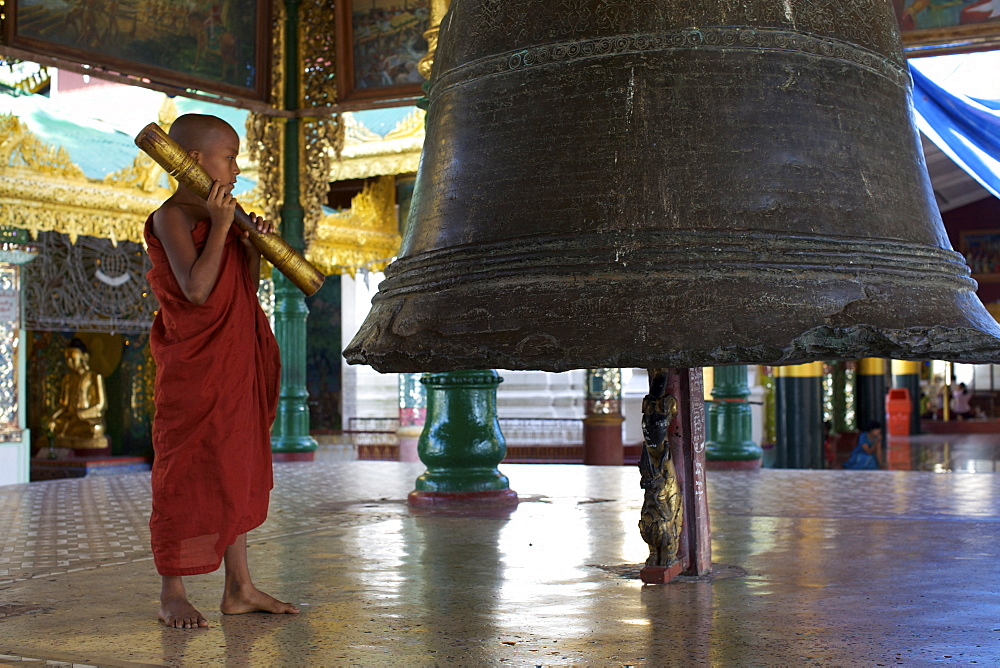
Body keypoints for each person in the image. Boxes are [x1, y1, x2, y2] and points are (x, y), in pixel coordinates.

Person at [144, 113, 298, 628]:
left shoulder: (226, 220)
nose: (236, 168)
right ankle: (173, 590)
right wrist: (227, 227)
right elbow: (195, 290)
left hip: (233, 360)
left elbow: (239, 290)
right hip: (194, 368)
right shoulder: (171, 217)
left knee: (236, 464)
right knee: (184, 471)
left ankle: (239, 587)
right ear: (191, 161)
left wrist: (250, 247)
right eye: (228, 157)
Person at [48, 338, 108, 451]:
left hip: (86, 418)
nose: (69, 362)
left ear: (84, 357)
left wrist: (81, 414)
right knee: (53, 426)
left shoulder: (94, 377)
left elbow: (101, 404)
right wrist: (53, 417)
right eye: (67, 359)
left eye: (72, 358)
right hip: (70, 419)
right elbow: (63, 404)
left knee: (95, 428)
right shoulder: (67, 379)